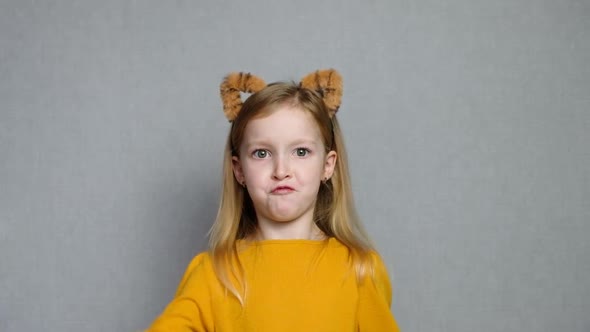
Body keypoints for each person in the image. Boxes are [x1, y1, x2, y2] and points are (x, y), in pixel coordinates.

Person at [147, 69, 400, 331]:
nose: (281, 170)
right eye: (261, 153)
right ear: (239, 170)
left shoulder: (359, 269)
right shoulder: (213, 273)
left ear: (328, 165)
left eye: (301, 151)